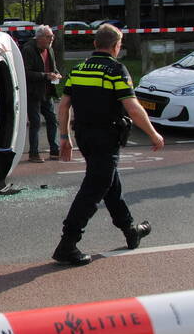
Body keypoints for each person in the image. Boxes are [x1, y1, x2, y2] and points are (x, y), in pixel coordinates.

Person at [54, 24, 165, 266]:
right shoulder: (116, 70)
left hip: (84, 136)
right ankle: (67, 243)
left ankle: (130, 231)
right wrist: (154, 134)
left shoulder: (79, 68)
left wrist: (65, 138)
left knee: (109, 185)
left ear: (95, 44)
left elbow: (63, 106)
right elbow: (133, 108)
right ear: (116, 46)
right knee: (94, 188)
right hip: (106, 137)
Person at [21, 25, 62, 163]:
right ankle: (33, 153)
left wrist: (56, 74)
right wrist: (45, 76)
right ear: (39, 38)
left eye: (52, 36)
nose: (52, 39)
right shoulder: (28, 50)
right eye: (48, 36)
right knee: (36, 122)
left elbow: (52, 67)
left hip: (47, 92)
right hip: (33, 93)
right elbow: (25, 73)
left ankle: (55, 151)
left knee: (52, 119)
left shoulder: (49, 49)